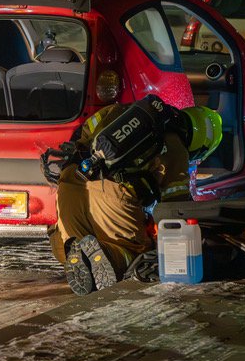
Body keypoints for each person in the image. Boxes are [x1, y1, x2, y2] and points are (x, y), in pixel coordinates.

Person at [46, 98, 221, 294]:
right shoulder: (175, 144)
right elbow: (176, 208)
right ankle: (109, 256)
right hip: (111, 192)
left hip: (69, 181)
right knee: (137, 251)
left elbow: (80, 135)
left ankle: (70, 250)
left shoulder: (121, 113)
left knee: (73, 240)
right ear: (199, 143)